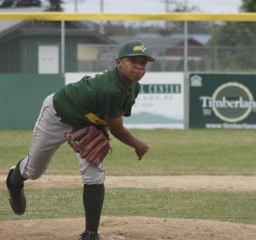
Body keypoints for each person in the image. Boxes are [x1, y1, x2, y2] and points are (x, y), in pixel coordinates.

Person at [6, 40, 156, 240]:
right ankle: (14, 183)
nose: (139, 66)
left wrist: (100, 131)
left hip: (87, 122)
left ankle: (90, 233)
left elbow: (109, 118)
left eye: (143, 63)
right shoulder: (111, 89)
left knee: (94, 173)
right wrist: (138, 144)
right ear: (118, 62)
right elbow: (117, 128)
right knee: (33, 171)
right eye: (133, 60)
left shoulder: (133, 88)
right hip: (58, 114)